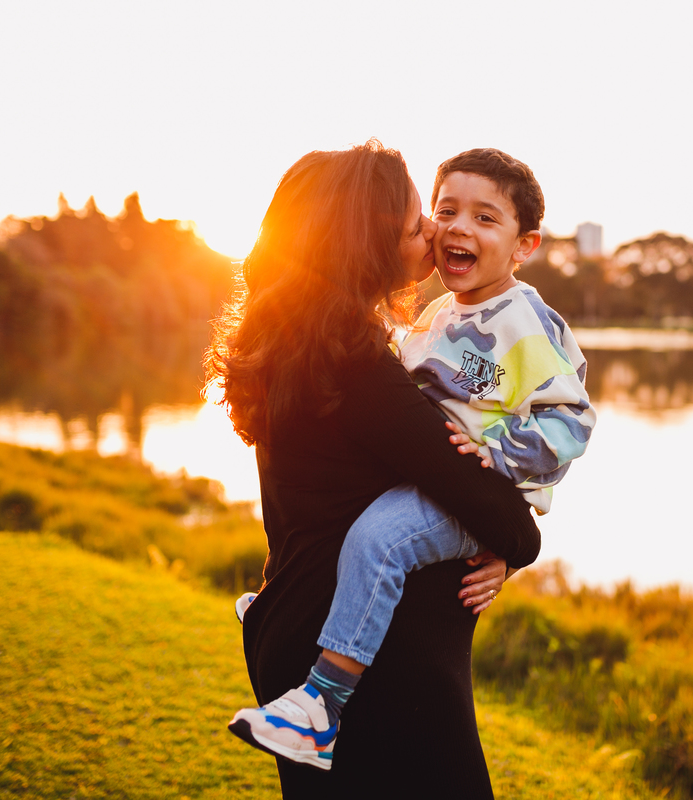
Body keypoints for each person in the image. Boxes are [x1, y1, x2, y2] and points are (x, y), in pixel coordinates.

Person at [226, 148, 595, 773]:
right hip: (382, 670)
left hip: (297, 625)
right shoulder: (359, 363)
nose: (438, 231)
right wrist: (513, 542)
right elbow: (486, 504)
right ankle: (320, 708)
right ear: (367, 244)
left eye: (477, 217)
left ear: (521, 243)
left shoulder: (305, 346)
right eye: (423, 220)